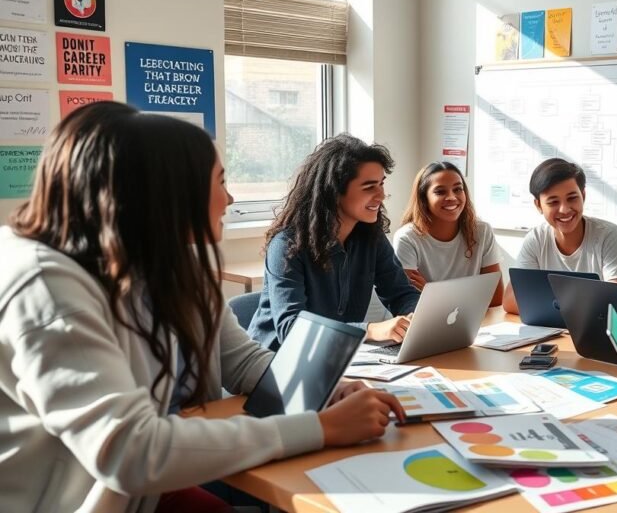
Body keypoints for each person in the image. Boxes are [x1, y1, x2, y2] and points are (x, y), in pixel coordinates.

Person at [0, 102, 404, 513]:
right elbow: (130, 451)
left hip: (142, 493)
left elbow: (242, 361)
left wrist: (324, 390)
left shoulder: (169, 261)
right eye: (221, 181)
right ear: (168, 191)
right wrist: (319, 428)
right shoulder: (46, 286)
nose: (229, 198)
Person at [248, 134, 420, 350]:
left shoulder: (371, 238)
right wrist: (369, 330)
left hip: (334, 359)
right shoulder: (287, 246)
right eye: (369, 187)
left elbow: (401, 293)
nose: (381, 195)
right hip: (274, 365)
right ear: (334, 191)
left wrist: (415, 317)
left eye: (381, 184)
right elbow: (291, 329)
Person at [502, 157, 617, 314]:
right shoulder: (535, 239)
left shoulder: (609, 235)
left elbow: (616, 303)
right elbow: (510, 300)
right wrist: (582, 304)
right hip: (550, 333)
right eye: (553, 202)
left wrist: (550, 303)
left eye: (572, 198)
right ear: (538, 205)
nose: (564, 210)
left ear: (583, 196)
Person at [394, 161, 503, 306]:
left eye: (458, 189)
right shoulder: (407, 238)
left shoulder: (482, 231)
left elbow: (495, 298)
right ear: (424, 198)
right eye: (440, 192)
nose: (452, 197)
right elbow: (410, 302)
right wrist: (471, 296)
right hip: (425, 323)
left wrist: (430, 290)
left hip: (475, 320)